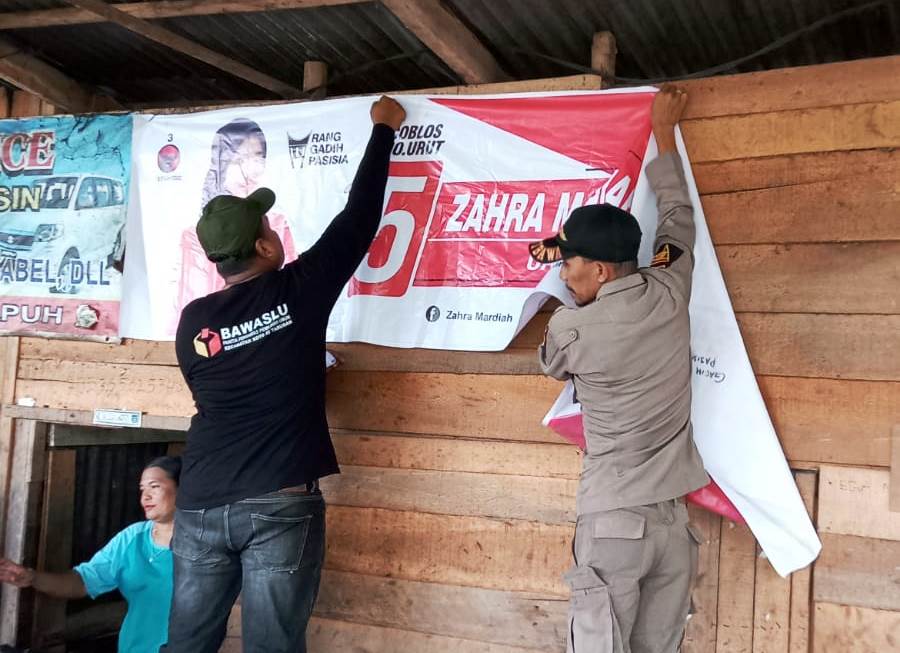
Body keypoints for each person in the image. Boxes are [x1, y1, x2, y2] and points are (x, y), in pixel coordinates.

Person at [165, 95, 406, 653]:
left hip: (201, 502)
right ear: (262, 245)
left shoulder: (193, 321)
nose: (276, 229)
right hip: (278, 502)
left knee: (185, 646)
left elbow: (215, 387)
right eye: (268, 225)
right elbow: (358, 220)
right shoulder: (299, 289)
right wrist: (383, 131)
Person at [529, 85, 709, 652]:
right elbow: (678, 218)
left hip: (613, 527)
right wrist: (664, 131)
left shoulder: (571, 328)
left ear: (602, 271)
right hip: (672, 528)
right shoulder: (670, 290)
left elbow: (550, 364)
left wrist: (562, 291)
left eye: (569, 263)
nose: (563, 273)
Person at [0, 456, 181, 653]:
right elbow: (83, 581)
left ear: (183, 490)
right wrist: (32, 578)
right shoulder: (132, 539)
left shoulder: (202, 545)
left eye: (154, 487)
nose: (145, 496)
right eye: (142, 489)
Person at [175, 118, 297, 320]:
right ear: (220, 165)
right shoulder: (192, 237)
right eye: (238, 160)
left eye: (257, 157)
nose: (249, 170)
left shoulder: (279, 224)